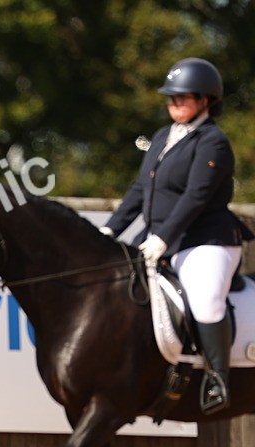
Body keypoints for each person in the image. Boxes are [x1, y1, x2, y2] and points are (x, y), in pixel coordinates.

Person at [100, 57, 254, 413]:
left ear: (205, 100)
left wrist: (163, 237)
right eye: (171, 98)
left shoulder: (213, 142)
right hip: (165, 241)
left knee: (204, 299)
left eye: (183, 97)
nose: (174, 104)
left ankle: (218, 379)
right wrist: (111, 230)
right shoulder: (161, 138)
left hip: (207, 242)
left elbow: (196, 196)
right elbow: (140, 190)